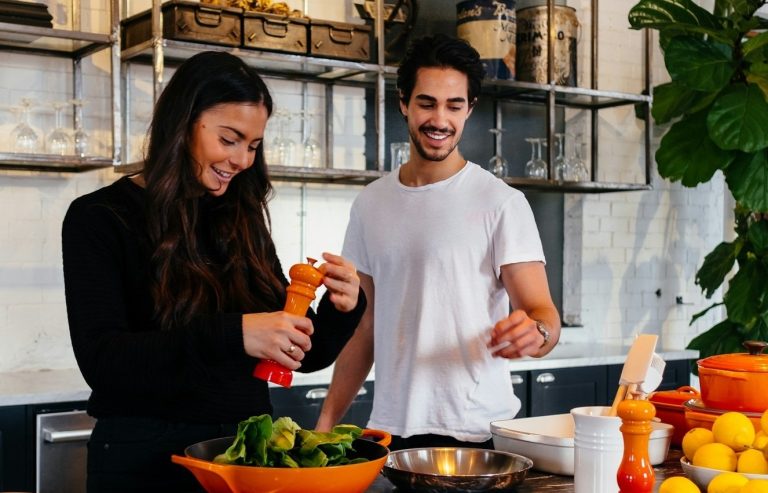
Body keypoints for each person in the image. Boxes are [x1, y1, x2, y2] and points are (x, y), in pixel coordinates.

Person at [61, 51, 366, 493]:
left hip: (242, 457)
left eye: (253, 145)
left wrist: (344, 306)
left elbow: (305, 355)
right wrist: (236, 334)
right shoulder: (99, 218)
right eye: (230, 139)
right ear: (183, 123)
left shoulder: (242, 217)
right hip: (142, 461)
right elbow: (103, 361)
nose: (242, 159)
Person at [315, 33, 561, 450]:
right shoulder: (371, 203)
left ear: (470, 109)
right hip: (391, 432)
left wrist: (535, 334)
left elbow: (544, 317)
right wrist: (325, 424)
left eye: (454, 105)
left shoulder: (501, 203)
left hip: (478, 433)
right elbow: (365, 326)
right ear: (404, 103)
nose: (440, 120)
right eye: (427, 103)